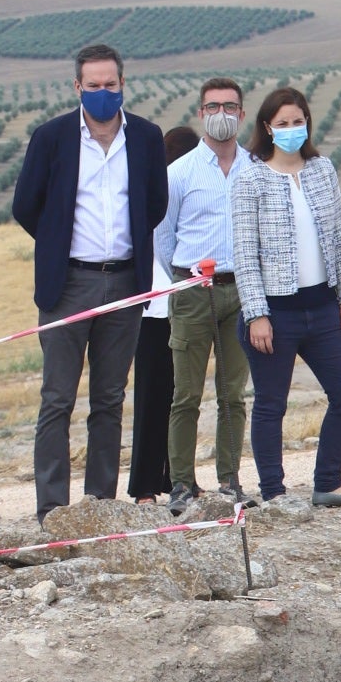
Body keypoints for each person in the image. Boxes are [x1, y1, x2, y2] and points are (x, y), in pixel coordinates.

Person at [12, 42, 168, 519]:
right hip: (68, 285)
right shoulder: (52, 137)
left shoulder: (145, 137)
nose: (103, 92)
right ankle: (52, 509)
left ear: (124, 84)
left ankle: (100, 504)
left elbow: (154, 205)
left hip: (125, 282)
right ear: (77, 86)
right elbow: (26, 205)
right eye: (94, 85)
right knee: (57, 398)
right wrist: (60, 242)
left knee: (109, 398)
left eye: (111, 84)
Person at [231, 85, 341, 509]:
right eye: (282, 124)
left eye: (298, 122)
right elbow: (244, 253)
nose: (292, 130)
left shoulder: (322, 170)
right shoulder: (250, 177)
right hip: (275, 314)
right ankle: (274, 493)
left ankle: (328, 483)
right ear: (266, 129)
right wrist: (256, 313)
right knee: (271, 403)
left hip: (323, 307)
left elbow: (340, 238)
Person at [156, 78, 254, 512]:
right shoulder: (178, 173)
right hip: (193, 290)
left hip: (243, 291)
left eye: (230, 106)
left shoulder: (256, 169)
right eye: (213, 106)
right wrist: (182, 279)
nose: (222, 114)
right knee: (186, 393)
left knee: (232, 393)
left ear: (242, 114)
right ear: (200, 113)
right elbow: (163, 235)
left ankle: (230, 481)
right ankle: (181, 484)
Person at [127, 124, 197, 503]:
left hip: (171, 307)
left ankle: (169, 481)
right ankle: (147, 485)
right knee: (166, 397)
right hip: (156, 309)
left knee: (170, 398)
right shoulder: (154, 192)